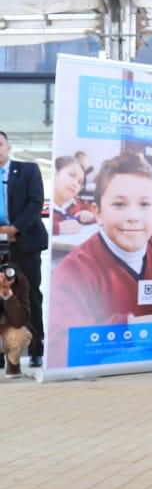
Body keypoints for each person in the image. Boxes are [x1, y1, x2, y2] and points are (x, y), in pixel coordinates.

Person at [47, 153, 152, 369]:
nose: (133, 216)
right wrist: (130, 328)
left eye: (144, 204)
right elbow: (59, 352)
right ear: (98, 212)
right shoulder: (72, 272)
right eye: (119, 204)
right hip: (101, 387)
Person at [0, 130, 48, 368]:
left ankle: (37, 347)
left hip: (25, 242)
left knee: (30, 295)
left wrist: (14, 228)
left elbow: (36, 202)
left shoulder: (28, 171)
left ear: (8, 147)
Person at [0, 265, 32, 378]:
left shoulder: (18, 278)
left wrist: (7, 294)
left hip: (6, 328)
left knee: (21, 336)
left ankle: (13, 362)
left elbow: (19, 321)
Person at [51, 156, 94, 235]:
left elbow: (98, 214)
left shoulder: (78, 202)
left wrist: (89, 216)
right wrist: (58, 227)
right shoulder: (43, 202)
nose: (75, 184)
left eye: (80, 182)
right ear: (55, 173)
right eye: (71, 175)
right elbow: (34, 226)